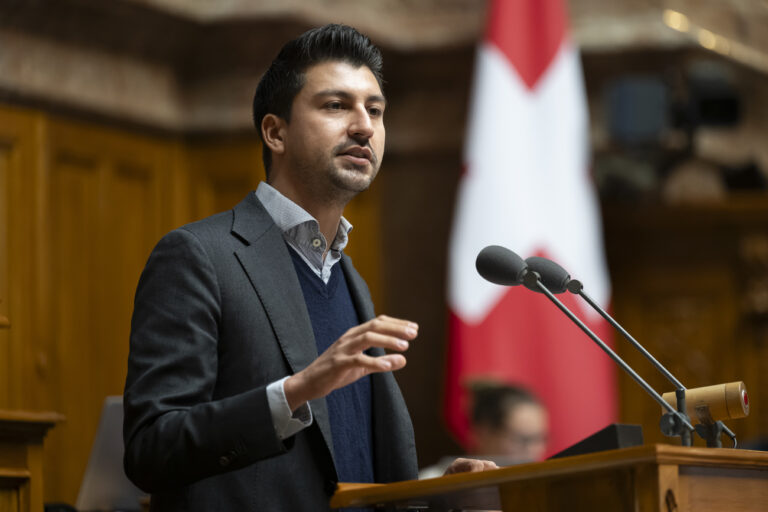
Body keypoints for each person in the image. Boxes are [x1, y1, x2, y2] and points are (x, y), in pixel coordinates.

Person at [123, 24, 490, 512]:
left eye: (375, 110)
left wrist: (442, 495)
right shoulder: (199, 256)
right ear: (276, 132)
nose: (364, 126)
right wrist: (295, 393)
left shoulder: (348, 278)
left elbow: (355, 470)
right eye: (337, 106)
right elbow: (151, 449)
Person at [420, 383, 548, 479]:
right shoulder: (431, 481)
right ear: (483, 433)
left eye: (540, 439)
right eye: (523, 440)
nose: (534, 450)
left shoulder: (543, 485)